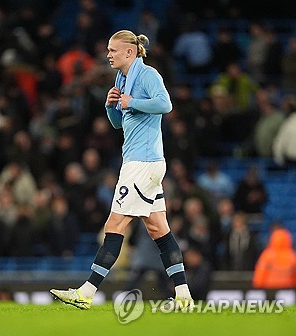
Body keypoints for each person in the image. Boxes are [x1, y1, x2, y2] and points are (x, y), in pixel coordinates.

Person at [50, 30, 194, 311]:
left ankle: (86, 292)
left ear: (129, 52)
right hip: (143, 162)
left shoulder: (148, 74)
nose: (108, 55)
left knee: (114, 226)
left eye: (112, 50)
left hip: (142, 164)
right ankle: (184, 295)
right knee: (158, 229)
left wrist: (131, 102)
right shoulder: (122, 79)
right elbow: (118, 124)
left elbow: (165, 104)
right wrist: (110, 106)